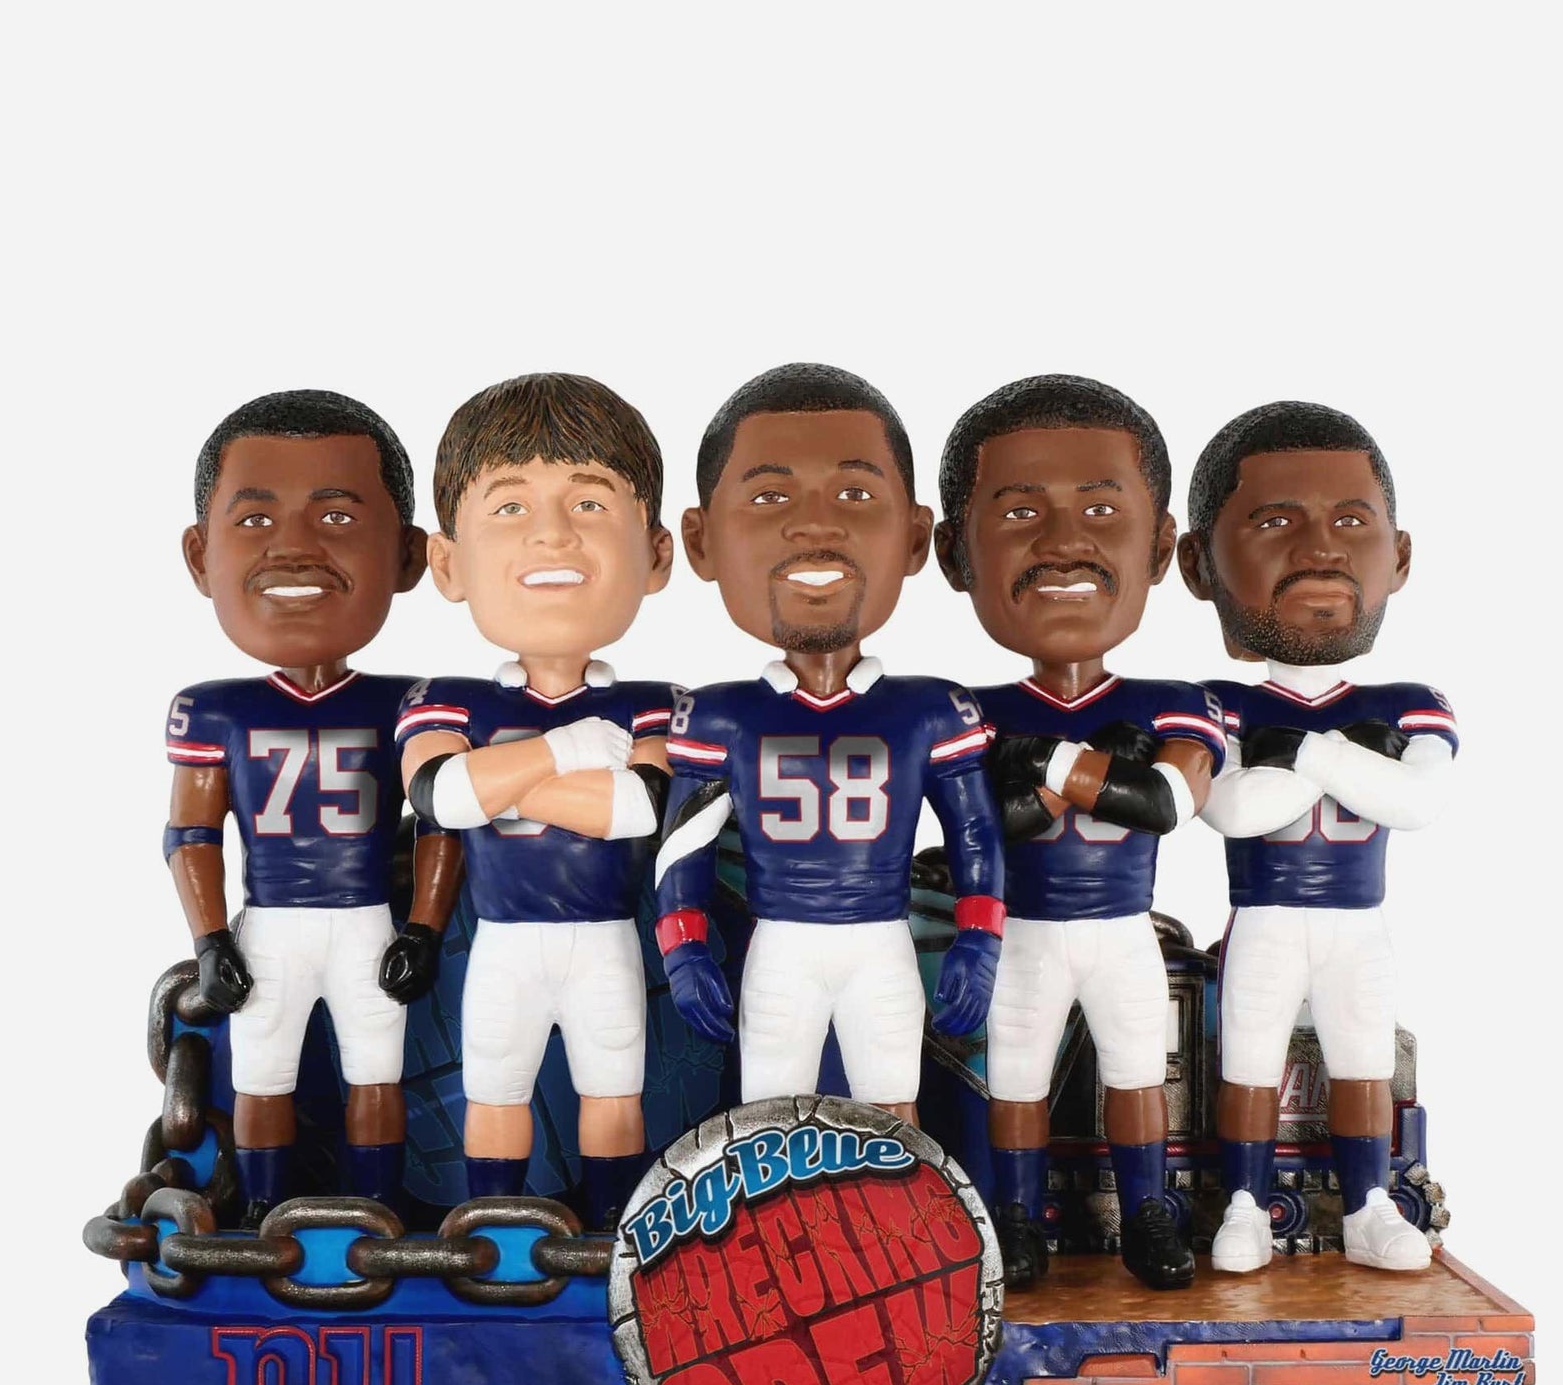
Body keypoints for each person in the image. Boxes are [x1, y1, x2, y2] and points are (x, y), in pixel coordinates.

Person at [655, 364, 1004, 1121]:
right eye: (771, 497)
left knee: (893, 1109)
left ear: (914, 537)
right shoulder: (720, 716)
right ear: (702, 540)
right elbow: (683, 847)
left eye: (853, 494)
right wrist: (683, 947)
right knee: (769, 1116)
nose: (816, 525)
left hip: (880, 938)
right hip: (780, 943)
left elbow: (975, 834)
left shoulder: (930, 709)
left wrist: (979, 940)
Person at [936, 374, 1224, 1290]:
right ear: (955, 553)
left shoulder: (1173, 700)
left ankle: (1148, 1213)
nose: (1064, 539)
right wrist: (1092, 775)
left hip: (1121, 927)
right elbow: (983, 828)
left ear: (1161, 547)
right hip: (1022, 930)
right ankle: (1016, 1218)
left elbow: (1168, 803)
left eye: (1101, 509)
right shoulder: (967, 709)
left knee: (1139, 1075)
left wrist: (1049, 766)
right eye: (1021, 512)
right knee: (1016, 1079)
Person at [166, 389, 461, 1223]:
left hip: (367, 918)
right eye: (256, 519)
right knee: (262, 1073)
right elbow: (191, 834)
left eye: (335, 517)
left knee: (378, 1070)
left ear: (407, 556)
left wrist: (424, 928)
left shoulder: (412, 701)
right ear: (201, 555)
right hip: (271, 921)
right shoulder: (215, 709)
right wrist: (210, 938)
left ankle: (378, 1208)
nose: (293, 546)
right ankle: (264, 1212)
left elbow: (442, 819)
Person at [1177, 401, 1458, 1273]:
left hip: (1356, 919)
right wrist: (1334, 759)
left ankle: (1371, 1206)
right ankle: (1244, 1206)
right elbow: (1230, 810)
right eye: (1276, 522)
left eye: (1350, 522)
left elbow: (1416, 801)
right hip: (1262, 915)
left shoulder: (1407, 702)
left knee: (1364, 1060)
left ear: (1398, 555)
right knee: (1249, 1063)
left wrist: (1305, 754)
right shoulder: (1219, 702)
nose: (1321, 549)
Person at [394, 373, 676, 1229]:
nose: (552, 532)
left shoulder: (657, 704)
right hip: (505, 941)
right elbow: (443, 796)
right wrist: (568, 751)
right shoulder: (446, 699)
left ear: (657, 555)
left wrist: (507, 778)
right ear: (448, 563)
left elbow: (637, 809)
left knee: (613, 1086)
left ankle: (613, 1230)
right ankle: (496, 1233)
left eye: (589, 503)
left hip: (604, 936)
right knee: (494, 1084)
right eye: (511, 507)